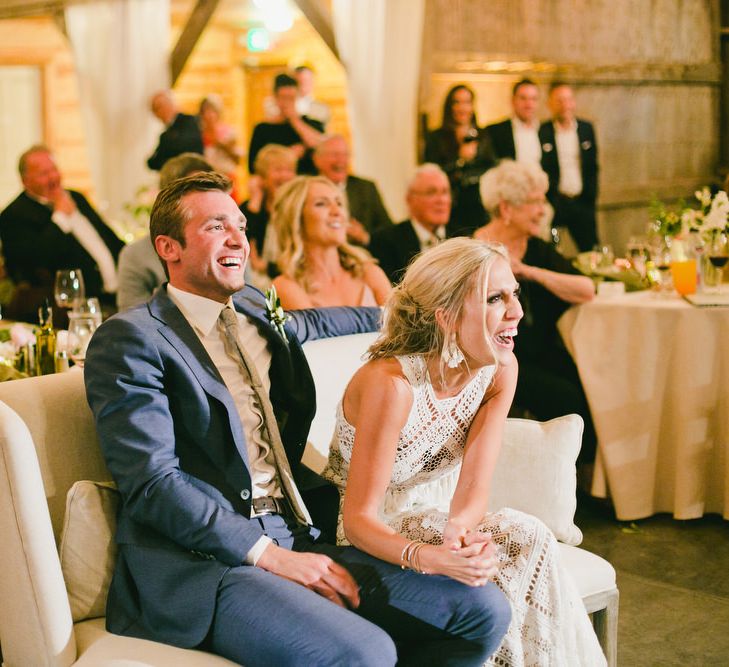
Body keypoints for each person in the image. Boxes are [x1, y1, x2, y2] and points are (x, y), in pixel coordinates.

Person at [84, 171, 511, 666]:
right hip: (206, 565)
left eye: (241, 226)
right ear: (169, 247)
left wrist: (417, 313)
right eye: (215, 226)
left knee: (481, 610)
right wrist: (270, 556)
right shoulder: (132, 339)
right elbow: (154, 484)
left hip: (299, 532)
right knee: (367, 653)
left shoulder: (251, 306)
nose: (237, 238)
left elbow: (318, 321)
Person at [322, 238, 606, 666]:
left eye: (515, 294)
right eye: (496, 298)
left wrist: (462, 535)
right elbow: (357, 519)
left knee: (526, 538)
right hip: (364, 533)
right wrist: (431, 556)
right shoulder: (393, 385)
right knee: (510, 554)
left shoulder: (500, 370)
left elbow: (474, 487)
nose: (517, 312)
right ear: (448, 317)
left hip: (431, 517)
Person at [474, 160, 597, 462]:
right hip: (493, 357)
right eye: (535, 202)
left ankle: (575, 474)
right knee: (566, 397)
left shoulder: (536, 249)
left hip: (538, 352)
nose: (543, 210)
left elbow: (586, 288)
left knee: (591, 382)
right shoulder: (474, 250)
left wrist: (529, 272)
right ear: (506, 209)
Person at [0, 144, 123, 321]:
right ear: (25, 180)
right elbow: (35, 262)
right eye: (44, 174)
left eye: (54, 169)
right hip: (72, 312)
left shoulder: (76, 197)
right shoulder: (13, 216)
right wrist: (60, 219)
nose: (53, 178)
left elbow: (110, 239)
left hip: (116, 297)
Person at [271, 176, 391, 309]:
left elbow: (399, 327)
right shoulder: (285, 287)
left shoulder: (370, 273)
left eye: (339, 203)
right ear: (295, 218)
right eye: (321, 204)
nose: (337, 211)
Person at [117, 152, 215, 311]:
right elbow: (133, 321)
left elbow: (243, 303)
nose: (209, 204)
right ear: (168, 201)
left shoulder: (229, 245)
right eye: (196, 194)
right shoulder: (136, 256)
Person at [424, 84, 495, 235]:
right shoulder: (436, 138)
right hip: (449, 208)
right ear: (449, 106)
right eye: (457, 102)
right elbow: (431, 175)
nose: (462, 108)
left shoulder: (483, 135)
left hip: (478, 207)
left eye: (467, 102)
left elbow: (491, 167)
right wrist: (460, 160)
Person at [539, 82, 599, 251]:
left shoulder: (586, 129)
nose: (565, 105)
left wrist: (591, 195)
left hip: (582, 201)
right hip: (556, 202)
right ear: (550, 104)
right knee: (551, 250)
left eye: (568, 99)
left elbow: (592, 166)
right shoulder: (543, 131)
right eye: (559, 100)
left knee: (591, 250)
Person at [369, 164, 452, 284]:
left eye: (445, 192)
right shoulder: (384, 242)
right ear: (410, 199)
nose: (441, 200)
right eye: (431, 192)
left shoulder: (463, 238)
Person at [313, 134, 393, 246]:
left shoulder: (366, 188)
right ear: (317, 159)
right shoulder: (307, 189)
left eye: (345, 155)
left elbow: (389, 232)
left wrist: (365, 237)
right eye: (334, 154)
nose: (340, 160)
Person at [239, 144, 297, 284]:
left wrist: (267, 267)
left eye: (289, 170)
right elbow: (241, 243)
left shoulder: (299, 207)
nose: (284, 176)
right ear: (262, 177)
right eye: (278, 170)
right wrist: (255, 203)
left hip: (292, 277)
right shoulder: (250, 207)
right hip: (256, 280)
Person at [249, 73, 324, 176]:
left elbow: (321, 146)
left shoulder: (311, 124)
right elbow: (253, 167)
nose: (287, 103)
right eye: (283, 98)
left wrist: (294, 120)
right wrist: (288, 155)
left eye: (291, 98)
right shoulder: (262, 129)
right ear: (275, 98)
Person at [486, 79, 542, 165]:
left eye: (533, 99)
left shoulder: (545, 130)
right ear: (513, 101)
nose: (529, 104)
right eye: (523, 98)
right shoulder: (495, 131)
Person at [199, 94, 242, 201]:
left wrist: (220, 144)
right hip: (207, 181)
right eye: (206, 111)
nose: (209, 115)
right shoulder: (198, 135)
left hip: (227, 178)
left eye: (212, 110)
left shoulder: (228, 132)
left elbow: (237, 159)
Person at [146, 90, 204, 171]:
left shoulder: (189, 121)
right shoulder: (165, 135)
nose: (157, 113)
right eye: (154, 110)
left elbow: (186, 150)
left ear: (170, 104)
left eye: (159, 107)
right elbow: (152, 162)